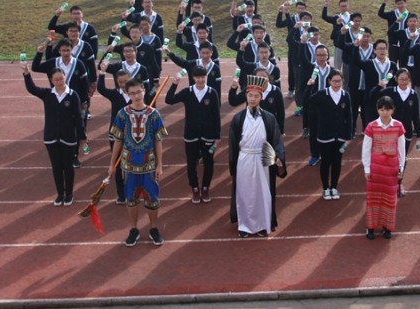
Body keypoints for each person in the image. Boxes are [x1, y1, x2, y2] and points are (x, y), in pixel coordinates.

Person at [107, 78, 167, 247]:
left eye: (139, 91)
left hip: (149, 164)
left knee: (152, 199)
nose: (136, 95)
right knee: (130, 199)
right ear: (127, 94)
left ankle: (154, 228)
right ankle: (133, 229)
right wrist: (112, 164)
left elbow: (158, 140)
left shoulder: (154, 114)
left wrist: (160, 164)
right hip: (129, 165)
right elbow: (117, 140)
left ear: (144, 90)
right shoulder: (122, 114)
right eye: (132, 93)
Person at [228, 75, 287, 237]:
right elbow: (233, 144)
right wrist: (233, 164)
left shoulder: (269, 118)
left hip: (263, 160)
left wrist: (278, 157)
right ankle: (245, 225)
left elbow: (276, 140)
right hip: (245, 159)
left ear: (261, 97)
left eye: (256, 96)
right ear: (246, 96)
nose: (253, 99)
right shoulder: (238, 119)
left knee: (262, 193)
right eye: (250, 95)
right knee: (244, 192)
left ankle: (262, 224)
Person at [22, 63, 85, 206]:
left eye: (61, 79)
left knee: (68, 166)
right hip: (51, 137)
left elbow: (78, 117)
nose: (59, 82)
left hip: (68, 137)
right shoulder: (47, 94)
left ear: (65, 78)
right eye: (55, 80)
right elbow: (32, 89)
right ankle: (59, 194)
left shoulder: (73, 95)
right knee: (56, 167)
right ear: (51, 80)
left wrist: (82, 136)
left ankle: (69, 193)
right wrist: (26, 73)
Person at [165, 65, 221, 204]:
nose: (201, 80)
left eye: (203, 77)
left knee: (208, 163)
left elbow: (216, 116)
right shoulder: (187, 92)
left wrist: (217, 137)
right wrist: (174, 83)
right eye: (198, 77)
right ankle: (195, 189)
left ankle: (206, 188)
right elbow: (169, 100)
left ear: (206, 77)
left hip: (208, 135)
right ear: (193, 78)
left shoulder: (212, 92)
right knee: (191, 165)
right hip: (191, 135)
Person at [362, 96, 406, 240]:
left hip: (391, 169)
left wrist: (401, 168)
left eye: (387, 109)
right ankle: (371, 227)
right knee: (373, 199)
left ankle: (388, 227)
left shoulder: (398, 126)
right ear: (377, 110)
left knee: (389, 199)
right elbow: (366, 149)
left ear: (392, 110)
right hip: (375, 169)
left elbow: (401, 150)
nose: (384, 112)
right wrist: (367, 169)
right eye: (381, 109)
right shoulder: (371, 126)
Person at [374, 68, 420, 197]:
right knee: (388, 157)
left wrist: (419, 135)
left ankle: (399, 183)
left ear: (410, 80)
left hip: (406, 133)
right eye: (401, 79)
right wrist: (379, 86)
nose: (404, 81)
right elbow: (372, 96)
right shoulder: (390, 92)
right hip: (390, 132)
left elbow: (416, 115)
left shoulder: (413, 94)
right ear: (396, 80)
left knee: (402, 158)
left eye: (406, 79)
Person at [309, 70, 353, 200]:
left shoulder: (346, 95)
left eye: (339, 81)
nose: (337, 83)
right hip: (324, 136)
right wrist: (310, 85)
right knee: (325, 162)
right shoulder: (322, 94)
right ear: (329, 81)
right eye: (334, 81)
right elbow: (309, 100)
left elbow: (349, 116)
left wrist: (348, 136)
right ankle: (325, 188)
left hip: (340, 136)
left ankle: (334, 187)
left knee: (337, 162)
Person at [97, 64, 131, 203]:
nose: (123, 84)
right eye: (120, 82)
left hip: (133, 135)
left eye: (125, 81)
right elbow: (101, 89)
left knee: (133, 164)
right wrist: (102, 73)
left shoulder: (137, 95)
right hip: (116, 134)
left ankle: (133, 191)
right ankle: (121, 193)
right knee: (118, 164)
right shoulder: (114, 94)